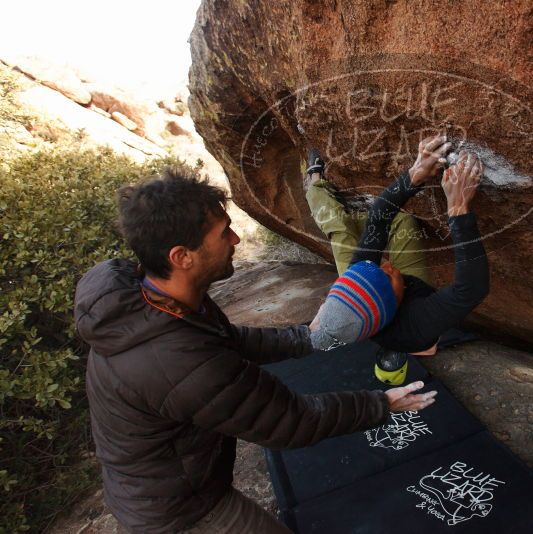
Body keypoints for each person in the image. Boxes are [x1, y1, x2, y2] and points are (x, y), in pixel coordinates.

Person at [74, 167, 437, 534]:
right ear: (182, 256)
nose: (235, 239)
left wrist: (308, 337)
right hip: (179, 512)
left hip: (165, 485)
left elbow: (225, 340)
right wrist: (382, 404)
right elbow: (292, 421)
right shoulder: (179, 361)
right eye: (222, 234)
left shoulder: (150, 298)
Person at [306, 135, 490, 383]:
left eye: (377, 267)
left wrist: (414, 174)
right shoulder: (416, 324)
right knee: (339, 228)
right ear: (393, 305)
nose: (387, 264)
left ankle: (329, 198)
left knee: (385, 223)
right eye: (386, 276)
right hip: (407, 306)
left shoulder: (361, 273)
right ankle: (314, 185)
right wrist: (458, 208)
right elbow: (471, 289)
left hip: (363, 292)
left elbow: (379, 217)